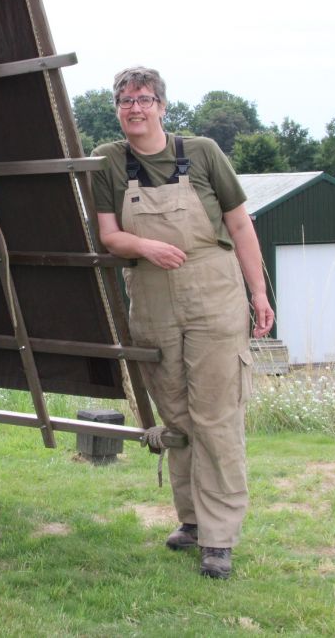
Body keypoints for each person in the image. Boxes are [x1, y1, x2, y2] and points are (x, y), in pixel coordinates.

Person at [92, 67, 274, 580]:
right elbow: (109, 235)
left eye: (144, 99)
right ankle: (192, 520)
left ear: (162, 106)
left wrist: (258, 293)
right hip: (151, 295)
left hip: (212, 290)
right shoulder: (108, 161)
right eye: (125, 101)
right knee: (177, 416)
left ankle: (220, 540)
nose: (135, 108)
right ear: (117, 108)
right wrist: (144, 245)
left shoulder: (202, 152)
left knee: (216, 416)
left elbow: (239, 223)